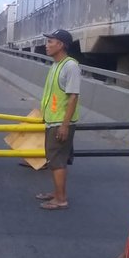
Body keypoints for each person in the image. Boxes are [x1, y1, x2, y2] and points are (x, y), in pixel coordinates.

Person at [35, 29, 80, 210]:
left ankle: (60, 199)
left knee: (57, 161)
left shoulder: (70, 66)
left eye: (50, 42)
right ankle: (57, 192)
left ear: (60, 44)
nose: (47, 45)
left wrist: (64, 125)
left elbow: (73, 97)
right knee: (55, 160)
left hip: (60, 123)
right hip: (53, 120)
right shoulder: (56, 65)